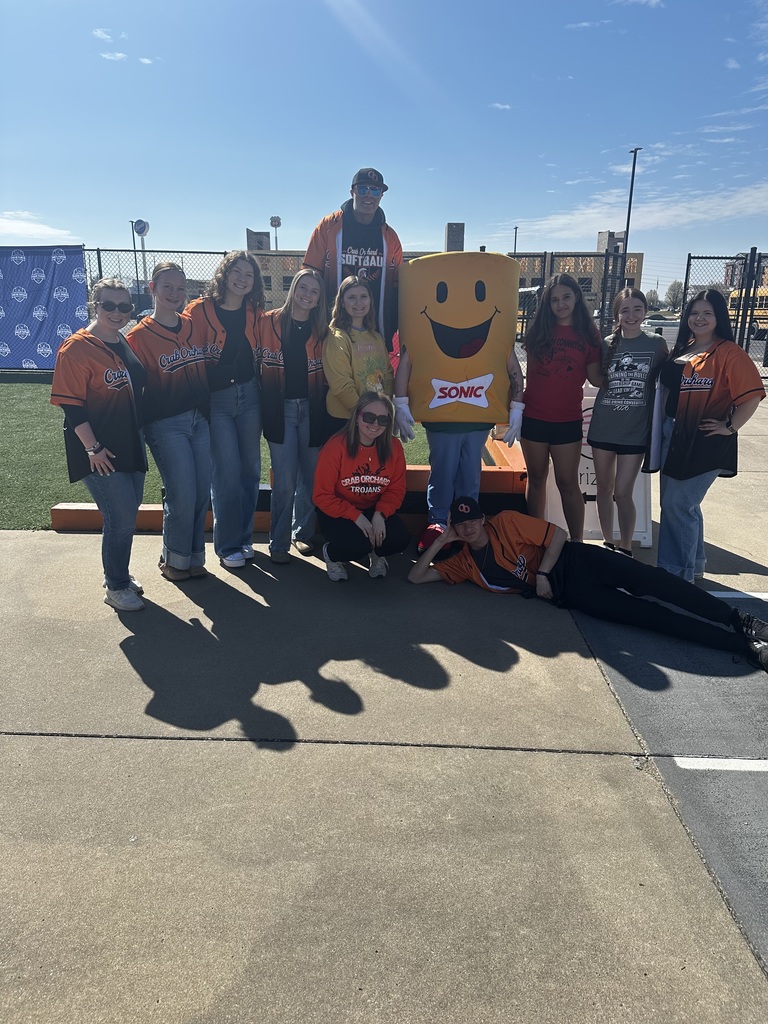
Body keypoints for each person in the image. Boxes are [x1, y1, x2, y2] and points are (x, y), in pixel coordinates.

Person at [408, 496, 768, 672]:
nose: (470, 528)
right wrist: (441, 541)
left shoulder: (504, 522)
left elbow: (559, 534)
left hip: (576, 561)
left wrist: (544, 574)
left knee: (656, 582)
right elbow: (416, 576)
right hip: (573, 594)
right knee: (649, 617)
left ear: (483, 519)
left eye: (473, 521)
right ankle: (742, 645)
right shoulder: (465, 563)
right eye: (462, 525)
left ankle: (737, 617)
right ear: (456, 527)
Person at [51, 279, 148, 611]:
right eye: (109, 305)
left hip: (128, 443)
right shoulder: (76, 347)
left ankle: (119, 572)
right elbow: (72, 407)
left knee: (126, 514)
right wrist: (93, 449)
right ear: (95, 305)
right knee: (119, 516)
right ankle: (116, 586)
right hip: (98, 451)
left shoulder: (121, 339)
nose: (117, 313)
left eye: (125, 307)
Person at [657, 288, 765, 582]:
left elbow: (752, 397)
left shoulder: (729, 352)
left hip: (705, 440)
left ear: (719, 317)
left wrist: (730, 427)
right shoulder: (684, 348)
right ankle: (694, 564)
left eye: (707, 313)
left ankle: (676, 575)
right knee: (681, 504)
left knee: (679, 504)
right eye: (694, 313)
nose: (699, 318)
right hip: (674, 435)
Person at [127, 263, 211, 582]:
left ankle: (191, 557)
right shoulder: (138, 337)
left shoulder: (192, 324)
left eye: (180, 287)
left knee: (201, 492)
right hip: (165, 424)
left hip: (200, 420)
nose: (175, 293)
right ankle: (174, 560)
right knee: (182, 493)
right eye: (167, 287)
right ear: (152, 288)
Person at [187, 251, 264, 569]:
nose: (243, 279)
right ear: (224, 273)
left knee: (251, 471)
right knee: (226, 473)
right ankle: (227, 544)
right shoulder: (199, 309)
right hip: (216, 400)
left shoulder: (255, 311)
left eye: (249, 274)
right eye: (237, 271)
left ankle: (244, 538)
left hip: (250, 397)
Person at [521, 273, 603, 541]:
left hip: (567, 421)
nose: (561, 304)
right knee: (536, 479)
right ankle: (536, 540)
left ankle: (577, 542)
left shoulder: (589, 334)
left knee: (568, 483)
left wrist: (624, 366)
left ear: (577, 297)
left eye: (566, 297)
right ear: (548, 304)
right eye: (554, 300)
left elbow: (595, 378)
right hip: (533, 417)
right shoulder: (538, 331)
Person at [587, 287, 668, 555]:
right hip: (603, 427)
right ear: (617, 314)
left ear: (645, 311)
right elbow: (595, 378)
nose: (631, 315)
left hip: (634, 432)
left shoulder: (656, 344)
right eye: (625, 310)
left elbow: (667, 385)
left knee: (622, 493)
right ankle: (608, 542)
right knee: (604, 488)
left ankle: (625, 546)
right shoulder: (606, 343)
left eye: (637, 309)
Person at [257, 269, 329, 564]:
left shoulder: (323, 329)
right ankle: (279, 542)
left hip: (313, 409)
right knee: (285, 480)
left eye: (314, 291)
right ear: (294, 289)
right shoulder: (267, 321)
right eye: (303, 287)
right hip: (280, 409)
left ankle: (303, 533)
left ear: (319, 299)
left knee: (311, 478)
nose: (308, 294)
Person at [303, 167, 402, 353]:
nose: (369, 196)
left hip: (376, 332)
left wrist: (393, 327)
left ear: (381, 195)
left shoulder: (390, 237)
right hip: (331, 332)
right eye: (363, 189)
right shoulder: (328, 227)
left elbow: (399, 287)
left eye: (375, 190)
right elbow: (309, 275)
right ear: (352, 192)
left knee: (374, 381)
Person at [313, 392, 409, 581]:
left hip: (373, 508)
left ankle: (376, 553)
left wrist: (380, 514)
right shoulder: (335, 446)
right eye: (369, 417)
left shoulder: (394, 446)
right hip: (338, 511)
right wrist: (355, 516)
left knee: (399, 539)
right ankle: (331, 554)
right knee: (357, 546)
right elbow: (322, 496)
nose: (375, 425)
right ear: (357, 416)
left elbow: (396, 489)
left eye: (382, 420)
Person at [323, 275, 394, 433]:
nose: (359, 303)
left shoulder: (375, 336)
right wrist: (364, 415)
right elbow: (341, 385)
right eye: (352, 298)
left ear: (370, 300)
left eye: (363, 296)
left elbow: (387, 374)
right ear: (342, 302)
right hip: (346, 419)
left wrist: (384, 410)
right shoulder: (336, 336)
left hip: (373, 419)